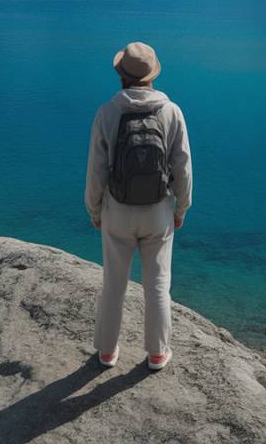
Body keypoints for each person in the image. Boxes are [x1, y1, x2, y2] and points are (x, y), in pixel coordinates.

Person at [85, 41, 192, 371]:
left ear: (122, 76)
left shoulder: (107, 112)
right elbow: (183, 166)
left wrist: (94, 210)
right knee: (158, 285)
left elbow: (97, 169)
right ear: (152, 75)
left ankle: (106, 352)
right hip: (158, 211)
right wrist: (181, 209)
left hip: (116, 211)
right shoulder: (171, 111)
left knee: (113, 285)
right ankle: (157, 354)